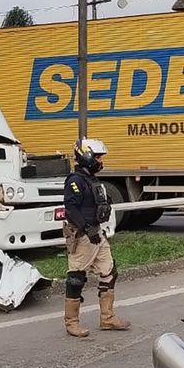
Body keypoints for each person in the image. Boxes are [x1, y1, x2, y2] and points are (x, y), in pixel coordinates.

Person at [62, 139, 130, 337]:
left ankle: (107, 318)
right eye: (98, 157)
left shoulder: (91, 179)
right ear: (86, 156)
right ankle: (71, 322)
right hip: (82, 235)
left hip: (97, 232)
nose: (100, 161)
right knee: (76, 278)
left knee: (109, 271)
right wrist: (87, 228)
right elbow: (71, 209)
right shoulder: (75, 180)